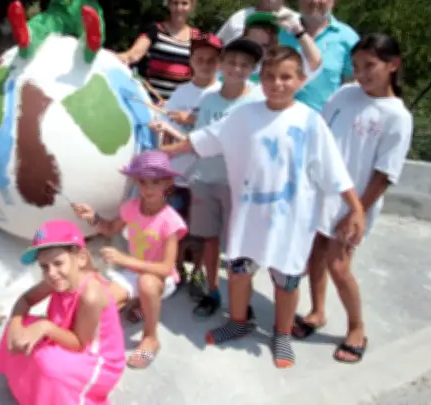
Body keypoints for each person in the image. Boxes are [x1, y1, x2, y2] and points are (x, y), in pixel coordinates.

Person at [165, 46, 365, 368]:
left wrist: (355, 208)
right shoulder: (244, 116)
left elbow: (335, 171)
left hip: (290, 223)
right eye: (270, 76)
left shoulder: (310, 122)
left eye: (286, 77)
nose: (278, 83)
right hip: (249, 218)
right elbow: (205, 138)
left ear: (300, 80)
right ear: (262, 79)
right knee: (240, 272)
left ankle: (282, 334)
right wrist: (169, 152)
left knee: (286, 282)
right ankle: (238, 321)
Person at [292, 34, 413, 364]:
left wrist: (357, 211)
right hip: (321, 193)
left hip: (356, 203)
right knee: (315, 255)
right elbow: (321, 135)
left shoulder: (397, 116)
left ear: (393, 65)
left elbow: (385, 173)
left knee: (339, 265)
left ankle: (357, 328)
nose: (361, 74)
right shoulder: (346, 94)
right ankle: (317, 312)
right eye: (356, 66)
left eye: (370, 66)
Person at [156, 38, 265, 320]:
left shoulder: (256, 100)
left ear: (253, 69)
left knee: (239, 246)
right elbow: (202, 139)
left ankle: (242, 301)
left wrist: (170, 149)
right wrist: (167, 147)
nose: (237, 69)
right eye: (232, 62)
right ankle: (213, 290)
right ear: (222, 65)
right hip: (205, 179)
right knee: (209, 240)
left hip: (237, 183)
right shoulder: (209, 99)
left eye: (245, 65)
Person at [72, 150, 188, 369]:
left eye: (155, 182)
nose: (148, 189)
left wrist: (124, 260)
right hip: (133, 272)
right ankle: (138, 303)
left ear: (168, 183)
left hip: (160, 279)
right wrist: (93, 217)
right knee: (101, 303)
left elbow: (165, 268)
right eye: (143, 182)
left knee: (146, 284)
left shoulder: (170, 221)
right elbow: (109, 229)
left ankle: (150, 338)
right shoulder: (131, 207)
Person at [0, 219, 125, 405]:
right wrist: (15, 327)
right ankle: (32, 394)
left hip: (97, 360)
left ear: (80, 258)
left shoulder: (91, 295)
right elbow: (25, 300)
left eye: (58, 263)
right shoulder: (57, 279)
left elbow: (79, 343)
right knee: (20, 326)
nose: (51, 273)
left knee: (49, 364)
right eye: (44, 267)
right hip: (65, 336)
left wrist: (44, 327)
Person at [152, 32, 222, 297]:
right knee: (176, 226)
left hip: (207, 177)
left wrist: (191, 120)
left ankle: (198, 271)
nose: (205, 64)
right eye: (200, 58)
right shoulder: (181, 91)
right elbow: (168, 130)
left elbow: (219, 131)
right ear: (191, 61)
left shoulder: (222, 93)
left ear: (220, 62)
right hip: (179, 174)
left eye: (212, 59)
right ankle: (176, 268)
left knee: (203, 230)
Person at [278, 0, 360, 112]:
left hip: (325, 122)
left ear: (333, 0)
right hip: (281, 116)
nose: (315, 1)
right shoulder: (282, 32)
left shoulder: (347, 37)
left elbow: (353, 83)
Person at [117, 0, 200, 99]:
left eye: (184, 3)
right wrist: (107, 56)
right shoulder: (155, 30)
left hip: (181, 106)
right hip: (152, 101)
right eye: (175, 3)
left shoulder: (198, 38)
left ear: (192, 6)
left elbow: (201, 72)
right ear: (169, 5)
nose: (179, 8)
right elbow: (133, 55)